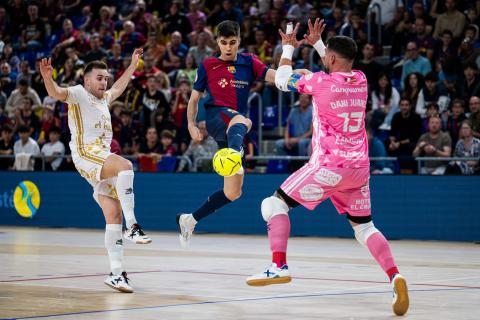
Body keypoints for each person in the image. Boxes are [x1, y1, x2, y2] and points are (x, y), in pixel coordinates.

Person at [246, 19, 409, 317]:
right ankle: (395, 276)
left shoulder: (320, 83)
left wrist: (288, 46)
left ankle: (278, 265)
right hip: (359, 167)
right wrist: (319, 44)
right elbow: (334, 64)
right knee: (364, 227)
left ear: (331, 59)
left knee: (273, 204)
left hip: (328, 165)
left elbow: (282, 79)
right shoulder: (360, 79)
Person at [39, 49, 151, 293]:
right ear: (86, 79)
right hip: (86, 154)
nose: (104, 82)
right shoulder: (78, 94)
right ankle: (133, 227)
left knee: (113, 215)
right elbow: (56, 92)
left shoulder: (104, 99)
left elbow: (120, 87)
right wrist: (48, 78)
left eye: (106, 78)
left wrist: (133, 65)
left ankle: (116, 274)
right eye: (99, 78)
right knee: (126, 166)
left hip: (99, 159)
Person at [176, 20, 278, 248]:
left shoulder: (249, 62)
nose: (229, 48)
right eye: (224, 43)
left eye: (233, 43)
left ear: (239, 41)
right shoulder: (208, 64)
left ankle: (189, 220)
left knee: (233, 192)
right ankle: (233, 153)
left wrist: (295, 77)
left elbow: (274, 77)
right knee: (245, 120)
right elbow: (193, 99)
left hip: (234, 130)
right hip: (216, 117)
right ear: (218, 42)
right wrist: (191, 125)